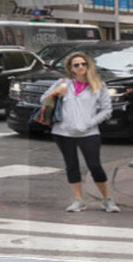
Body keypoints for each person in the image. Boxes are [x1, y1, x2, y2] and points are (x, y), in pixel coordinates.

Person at [41, 51, 119, 213]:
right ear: (71, 68)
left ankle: (107, 199)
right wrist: (56, 93)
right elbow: (43, 100)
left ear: (89, 65)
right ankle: (78, 200)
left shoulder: (98, 85)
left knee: (94, 165)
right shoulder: (63, 83)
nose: (81, 67)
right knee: (71, 166)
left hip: (89, 132)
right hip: (63, 132)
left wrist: (89, 123)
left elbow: (106, 110)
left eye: (84, 64)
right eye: (76, 65)